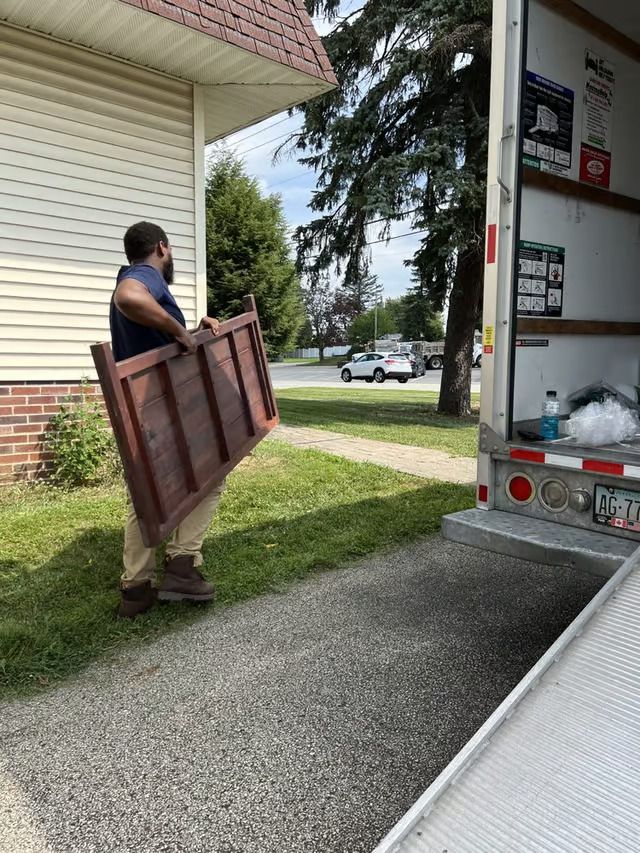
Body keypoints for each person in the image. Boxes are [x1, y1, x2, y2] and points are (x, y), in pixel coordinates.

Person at [110, 221, 224, 619]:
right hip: (159, 407)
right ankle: (181, 565)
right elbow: (129, 298)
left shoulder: (139, 277)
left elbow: (155, 346)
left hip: (145, 407)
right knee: (209, 476)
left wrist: (192, 331)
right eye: (170, 250)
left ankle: (137, 588)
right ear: (161, 247)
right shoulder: (142, 277)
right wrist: (179, 328)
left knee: (145, 495)